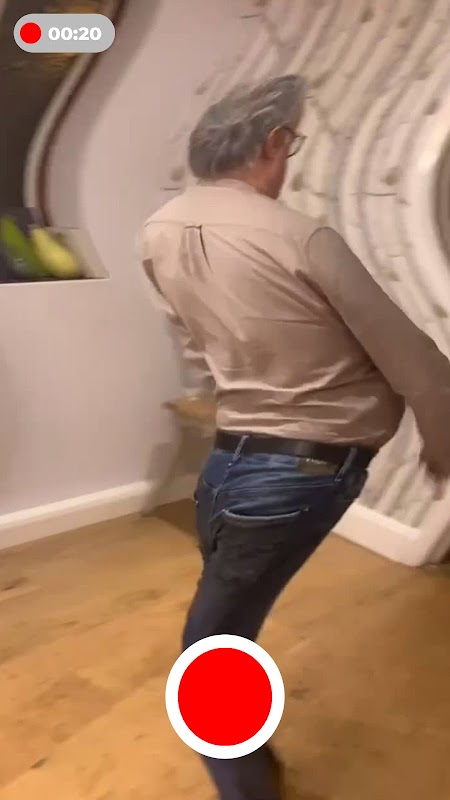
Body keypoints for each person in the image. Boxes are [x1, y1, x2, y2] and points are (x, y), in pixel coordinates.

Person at [139, 74, 450, 800]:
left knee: (225, 618)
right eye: (294, 145)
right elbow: (422, 365)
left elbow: (196, 346)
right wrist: (441, 446)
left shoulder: (156, 231)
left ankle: (250, 760)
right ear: (274, 143)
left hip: (228, 463)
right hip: (303, 470)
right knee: (213, 643)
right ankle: (246, 786)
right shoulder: (299, 236)